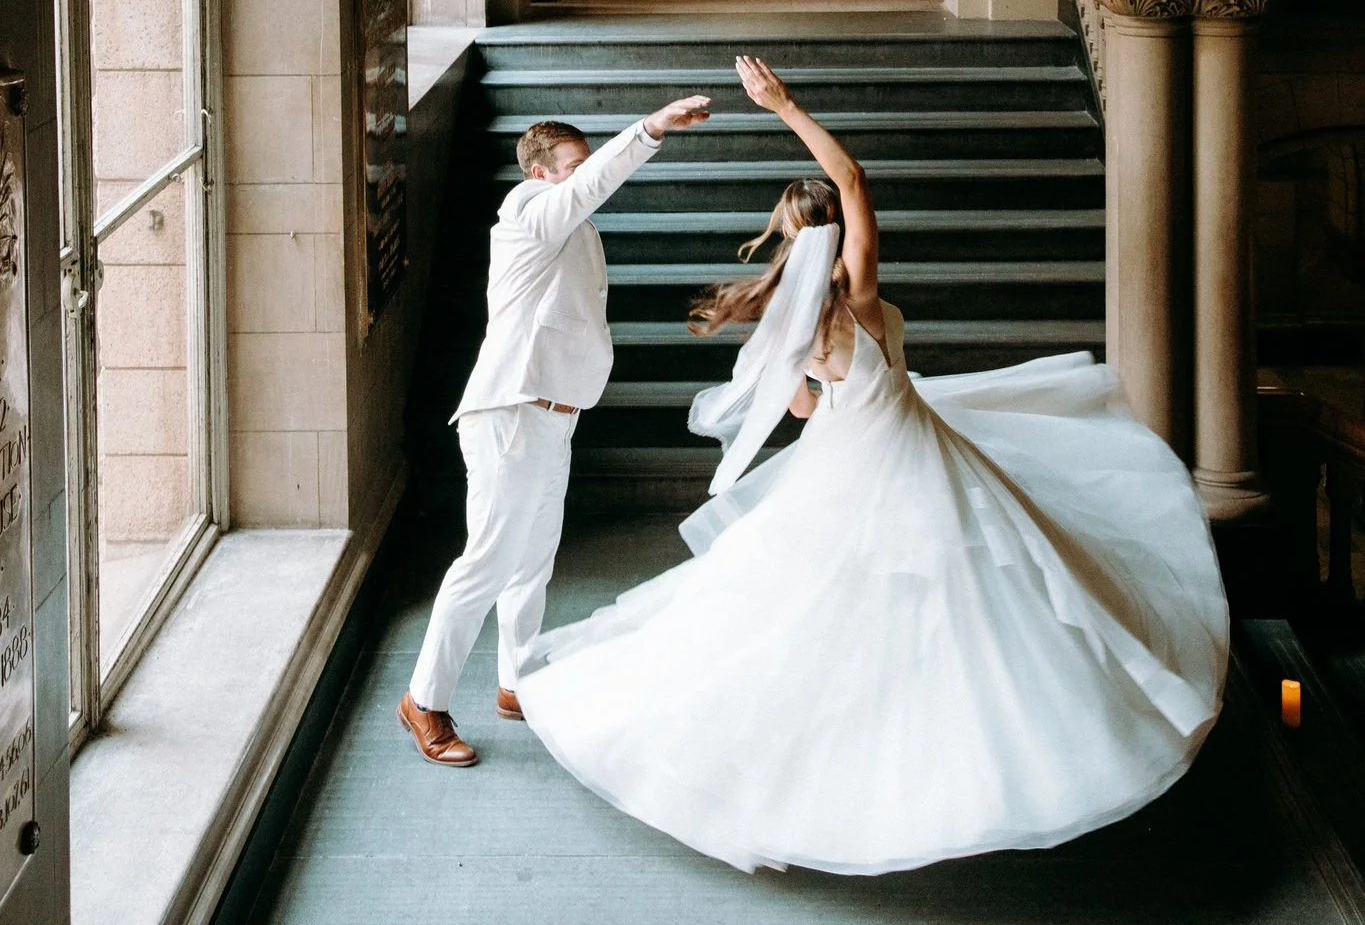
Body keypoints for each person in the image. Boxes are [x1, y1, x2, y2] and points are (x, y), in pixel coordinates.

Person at [517, 56, 1230, 875]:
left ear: (787, 235)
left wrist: (837, 390)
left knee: (815, 601)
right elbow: (849, 175)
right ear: (834, 231)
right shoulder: (859, 291)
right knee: (978, 586)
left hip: (846, 453)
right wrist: (783, 106)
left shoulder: (799, 314)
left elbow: (800, 411)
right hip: (910, 446)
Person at [398, 91, 711, 767]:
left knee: (532, 562)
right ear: (540, 173)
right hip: (511, 411)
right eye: (574, 164)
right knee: (486, 562)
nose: (585, 171)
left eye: (584, 162)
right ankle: (424, 701)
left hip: (551, 413)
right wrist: (651, 126)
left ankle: (516, 683)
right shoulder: (532, 215)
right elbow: (594, 184)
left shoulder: (567, 222)